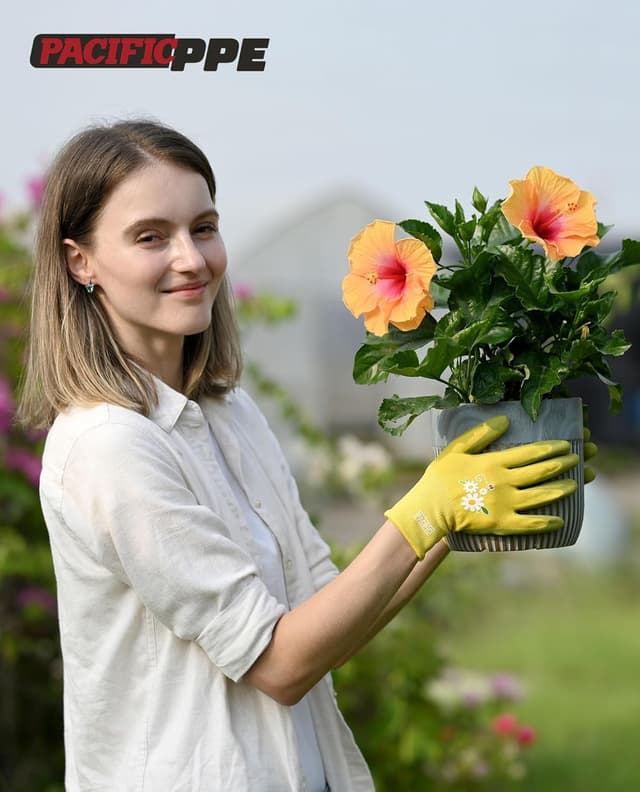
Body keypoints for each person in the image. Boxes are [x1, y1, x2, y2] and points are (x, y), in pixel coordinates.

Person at [15, 118, 582, 792]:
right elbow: (280, 664)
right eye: (150, 237)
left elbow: (325, 612)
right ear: (81, 261)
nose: (192, 258)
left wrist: (456, 512)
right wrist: (426, 510)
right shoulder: (108, 447)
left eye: (203, 227)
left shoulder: (229, 414)